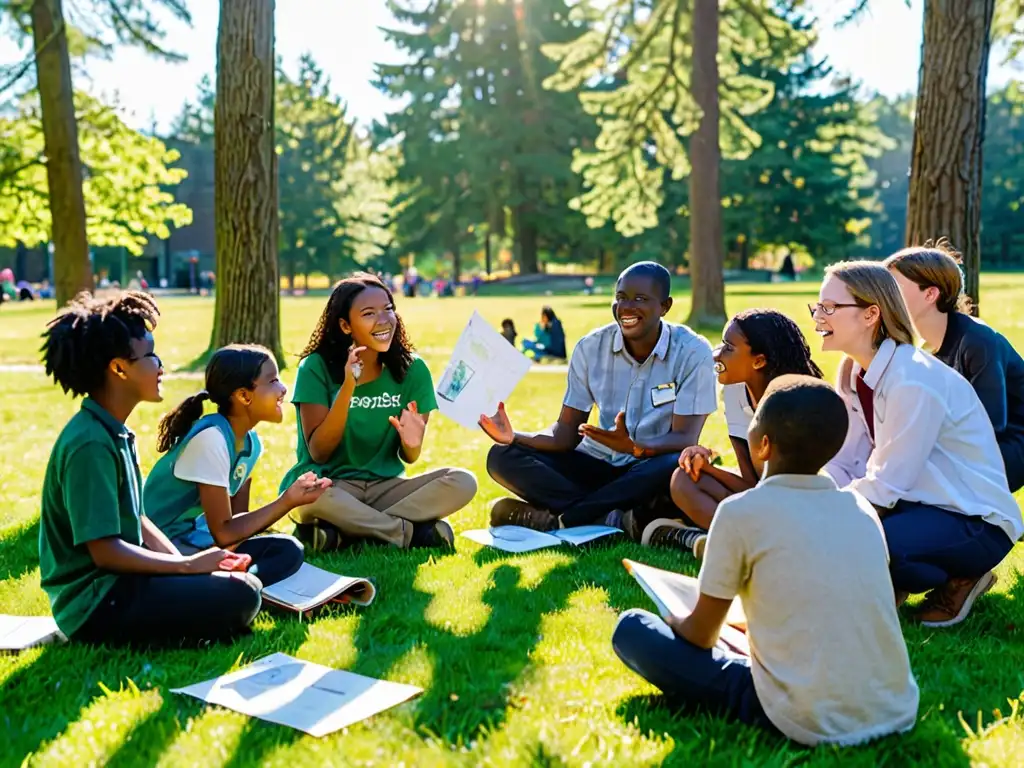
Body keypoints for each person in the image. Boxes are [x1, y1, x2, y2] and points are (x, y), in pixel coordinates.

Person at [612, 375, 919, 746]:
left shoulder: (741, 512)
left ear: (763, 446)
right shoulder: (861, 509)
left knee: (631, 628)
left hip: (804, 715)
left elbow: (701, 634)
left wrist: (673, 616)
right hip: (894, 707)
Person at [38, 291, 266, 646]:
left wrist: (190, 570)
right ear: (119, 368)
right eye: (151, 355)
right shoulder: (90, 444)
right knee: (243, 595)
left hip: (122, 583)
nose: (161, 365)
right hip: (94, 603)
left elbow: (139, 520)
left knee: (245, 582)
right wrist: (187, 568)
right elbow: (105, 550)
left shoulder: (114, 432)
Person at [814, 260, 1023, 626]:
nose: (818, 317)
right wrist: (807, 494)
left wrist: (822, 519)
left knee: (873, 544)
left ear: (871, 315)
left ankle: (964, 574)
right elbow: (845, 461)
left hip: (974, 518)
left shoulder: (912, 379)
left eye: (829, 308)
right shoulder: (852, 373)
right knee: (853, 543)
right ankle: (891, 577)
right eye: (817, 307)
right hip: (917, 503)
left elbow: (887, 484)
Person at [482, 261, 717, 535]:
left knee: (674, 464)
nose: (626, 308)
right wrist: (514, 437)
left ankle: (567, 519)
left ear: (665, 306)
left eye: (640, 299)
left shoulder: (692, 351)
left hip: (649, 468)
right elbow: (565, 434)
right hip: (596, 465)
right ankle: (612, 518)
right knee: (502, 456)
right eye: (620, 298)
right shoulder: (590, 348)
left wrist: (635, 447)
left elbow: (685, 438)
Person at [284, 273, 477, 552]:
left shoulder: (412, 370)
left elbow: (409, 457)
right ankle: (406, 534)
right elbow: (319, 452)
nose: (384, 320)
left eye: (388, 309)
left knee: (462, 482)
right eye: (369, 313)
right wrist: (349, 385)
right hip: (332, 485)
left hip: (385, 488)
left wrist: (412, 444)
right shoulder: (316, 367)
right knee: (312, 498)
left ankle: (348, 532)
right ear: (345, 325)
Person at [143, 345, 332, 586]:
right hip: (166, 548)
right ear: (244, 396)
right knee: (275, 554)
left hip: (201, 541)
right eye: (273, 380)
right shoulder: (211, 438)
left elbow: (237, 525)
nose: (283, 388)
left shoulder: (250, 444)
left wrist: (239, 549)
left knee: (287, 549)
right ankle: (237, 589)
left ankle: (239, 586)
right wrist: (288, 501)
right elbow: (224, 532)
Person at [643, 309, 824, 556]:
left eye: (728, 347)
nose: (716, 354)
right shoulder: (735, 391)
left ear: (759, 360)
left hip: (800, 508)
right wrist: (706, 467)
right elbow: (751, 483)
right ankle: (734, 541)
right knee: (684, 479)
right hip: (761, 499)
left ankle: (714, 540)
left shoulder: (799, 403)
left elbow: (795, 491)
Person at [886, 243, 1024, 492]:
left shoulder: (978, 342)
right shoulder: (922, 348)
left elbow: (991, 426)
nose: (885, 295)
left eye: (893, 287)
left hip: (1012, 441)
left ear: (930, 295)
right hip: (975, 443)